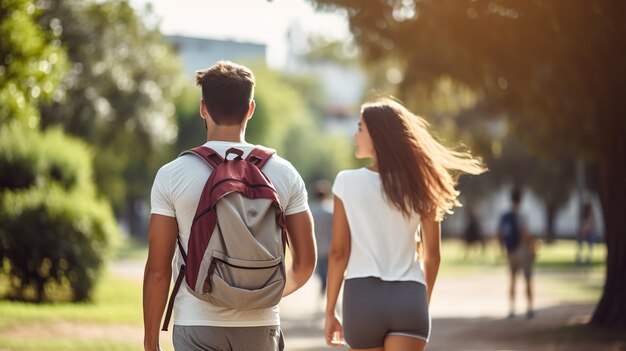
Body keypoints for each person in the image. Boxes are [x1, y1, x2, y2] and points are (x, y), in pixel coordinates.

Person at [143, 61, 317, 351]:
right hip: (261, 326)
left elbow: (158, 270)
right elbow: (305, 263)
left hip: (197, 323)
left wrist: (151, 343)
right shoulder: (285, 173)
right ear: (250, 109)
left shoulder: (172, 175)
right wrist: (258, 295)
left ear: (203, 108)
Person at [324, 98, 485, 350]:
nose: (355, 135)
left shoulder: (346, 182)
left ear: (377, 136)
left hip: (362, 299)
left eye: (360, 128)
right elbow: (433, 256)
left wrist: (329, 311)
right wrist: (420, 300)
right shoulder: (421, 185)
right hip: (409, 297)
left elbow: (338, 253)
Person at [497, 187, 535, 319]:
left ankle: (512, 309)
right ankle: (529, 308)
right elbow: (524, 233)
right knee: (527, 279)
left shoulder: (505, 216)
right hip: (522, 250)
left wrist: (502, 249)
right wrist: (532, 248)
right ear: (521, 200)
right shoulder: (521, 215)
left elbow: (499, 234)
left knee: (512, 280)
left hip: (510, 251)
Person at [310, 179, 333, 299]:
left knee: (319, 272)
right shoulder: (330, 210)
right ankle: (326, 288)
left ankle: (324, 288)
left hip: (315, 246)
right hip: (329, 246)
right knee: (327, 272)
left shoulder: (310, 210)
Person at [576, 201, 596, 265]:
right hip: (583, 233)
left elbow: (591, 225)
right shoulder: (583, 216)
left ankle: (589, 259)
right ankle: (579, 260)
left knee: (590, 246)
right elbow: (582, 226)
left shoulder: (591, 216)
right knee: (580, 245)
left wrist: (587, 231)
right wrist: (583, 232)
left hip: (589, 233)